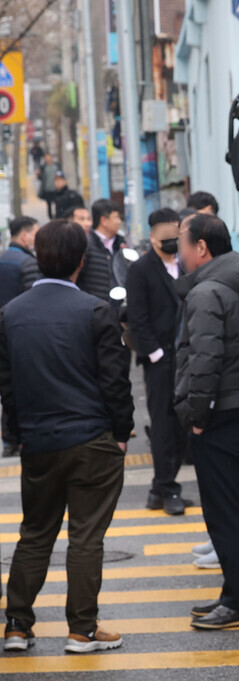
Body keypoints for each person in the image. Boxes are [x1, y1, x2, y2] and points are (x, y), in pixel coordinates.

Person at [0, 219, 133, 654]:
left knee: (35, 533)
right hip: (92, 438)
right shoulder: (96, 311)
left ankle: (17, 626)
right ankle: (82, 629)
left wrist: (17, 435)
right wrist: (121, 432)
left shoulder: (11, 314)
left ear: (38, 259)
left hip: (37, 441)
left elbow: (8, 386)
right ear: (81, 261)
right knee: (85, 536)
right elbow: (115, 382)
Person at [174, 213, 239, 629]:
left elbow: (204, 361)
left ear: (201, 248)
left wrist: (197, 417)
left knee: (223, 513)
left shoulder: (207, 291)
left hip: (218, 415)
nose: (178, 251)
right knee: (231, 508)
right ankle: (233, 595)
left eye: (181, 242)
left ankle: (238, 604)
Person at [126, 208, 189, 515]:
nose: (170, 243)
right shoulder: (140, 270)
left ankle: (159, 489)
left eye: (175, 237)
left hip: (186, 358)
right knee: (163, 426)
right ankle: (167, 489)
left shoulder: (186, 263)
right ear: (151, 238)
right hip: (160, 361)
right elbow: (136, 318)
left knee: (181, 425)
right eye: (164, 239)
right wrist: (155, 354)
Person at [0, 217, 41, 458]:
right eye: (34, 233)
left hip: (2, 331)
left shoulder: (3, 259)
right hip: (18, 330)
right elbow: (31, 300)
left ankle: (8, 439)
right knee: (21, 384)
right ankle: (17, 435)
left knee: (6, 385)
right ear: (24, 236)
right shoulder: (27, 264)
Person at [77, 199, 125, 302]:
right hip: (96, 308)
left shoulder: (121, 244)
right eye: (116, 217)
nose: (119, 221)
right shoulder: (86, 245)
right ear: (104, 220)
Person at [0, 217, 40, 308]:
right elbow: (33, 298)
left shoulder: (2, 258)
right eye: (36, 234)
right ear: (24, 236)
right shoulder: (29, 263)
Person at [37, 154, 59, 219]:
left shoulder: (56, 166)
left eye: (49, 158)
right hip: (47, 189)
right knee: (49, 205)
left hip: (55, 189)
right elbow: (41, 178)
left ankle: (57, 216)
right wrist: (38, 175)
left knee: (57, 204)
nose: (48, 159)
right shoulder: (43, 167)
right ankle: (50, 217)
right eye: (46, 158)